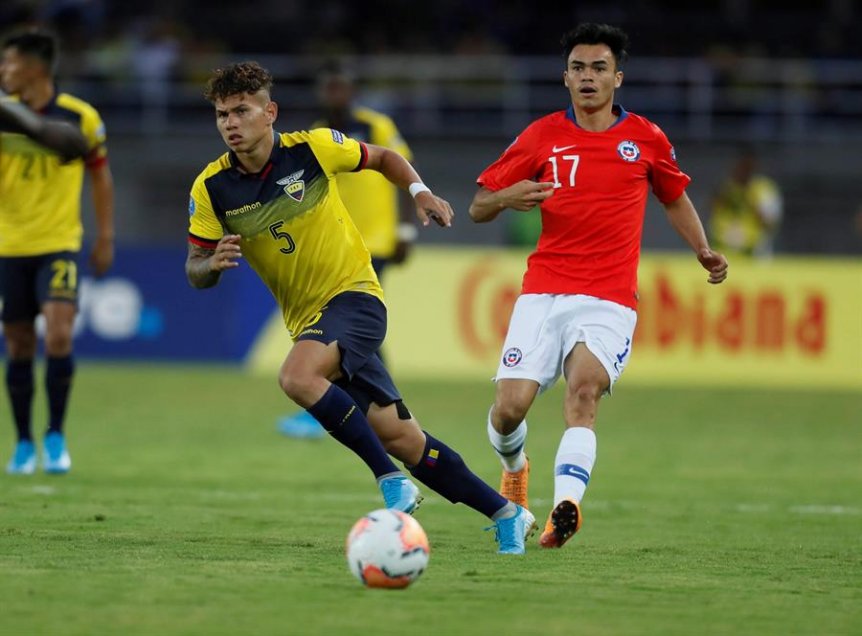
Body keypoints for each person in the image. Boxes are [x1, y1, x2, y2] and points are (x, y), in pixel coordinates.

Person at [186, 61, 535, 554]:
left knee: (297, 378)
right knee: (404, 439)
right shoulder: (211, 188)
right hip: (308, 321)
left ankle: (390, 483)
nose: (230, 123)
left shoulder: (314, 148)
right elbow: (194, 269)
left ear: (270, 113)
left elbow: (386, 157)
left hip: (356, 297)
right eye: (222, 114)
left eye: (241, 111)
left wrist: (420, 193)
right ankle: (507, 513)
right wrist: (213, 264)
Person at [468, 23, 728, 549]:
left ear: (618, 78)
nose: (589, 77)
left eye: (600, 68)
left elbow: (674, 196)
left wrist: (702, 249)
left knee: (584, 393)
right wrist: (506, 198)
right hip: (543, 291)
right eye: (580, 68)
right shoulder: (541, 136)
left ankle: (566, 505)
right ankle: (515, 468)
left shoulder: (645, 139)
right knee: (509, 409)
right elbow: (477, 205)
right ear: (565, 78)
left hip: (609, 297)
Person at [277, 60, 417, 439]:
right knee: (346, 332)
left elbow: (402, 167)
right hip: (335, 246)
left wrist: (406, 230)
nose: (334, 94)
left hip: (373, 241)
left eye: (340, 86)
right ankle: (358, 404)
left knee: (351, 330)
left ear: (353, 91)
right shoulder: (314, 137)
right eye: (329, 87)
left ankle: (347, 403)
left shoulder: (377, 126)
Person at [1, 30, 115, 475]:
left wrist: (105, 236)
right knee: (18, 343)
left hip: (59, 242)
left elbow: (101, 176)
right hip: (10, 244)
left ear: (33, 67)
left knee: (61, 334)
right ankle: (24, 442)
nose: (4, 71)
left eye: (9, 63)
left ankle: (55, 435)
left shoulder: (80, 116)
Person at [709, 146, 783, 258]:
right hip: (722, 252)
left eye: (747, 167)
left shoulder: (764, 189)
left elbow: (769, 224)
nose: (743, 171)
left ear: (754, 167)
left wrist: (750, 198)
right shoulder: (725, 188)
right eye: (740, 166)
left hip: (753, 254)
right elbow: (711, 212)